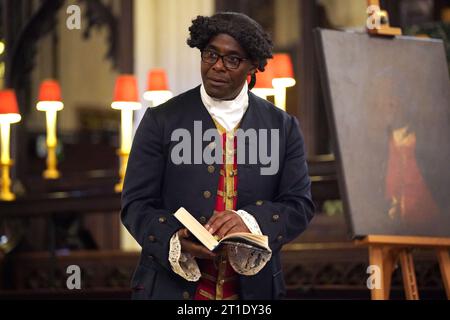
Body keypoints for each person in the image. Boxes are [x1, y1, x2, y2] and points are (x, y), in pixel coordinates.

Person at [121, 12, 315, 300]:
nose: (217, 67)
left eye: (232, 59)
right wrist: (174, 237)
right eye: (210, 55)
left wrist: (249, 220)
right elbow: (135, 204)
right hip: (171, 289)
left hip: (254, 293)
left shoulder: (283, 127)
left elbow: (299, 206)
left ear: (253, 67)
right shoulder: (160, 120)